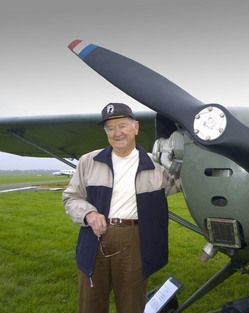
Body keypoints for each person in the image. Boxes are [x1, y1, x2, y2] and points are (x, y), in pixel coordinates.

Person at [62, 102, 180, 313]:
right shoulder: (88, 161)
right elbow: (71, 197)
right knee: (91, 305)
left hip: (135, 241)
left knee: (132, 305)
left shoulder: (156, 166)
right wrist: (88, 213)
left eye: (122, 125)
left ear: (135, 127)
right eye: (110, 128)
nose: (117, 133)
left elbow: (186, 182)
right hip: (94, 239)